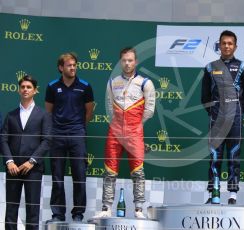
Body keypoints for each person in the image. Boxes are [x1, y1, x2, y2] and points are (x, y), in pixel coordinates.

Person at [94, 47, 155, 219]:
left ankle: (138, 209)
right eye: (124, 60)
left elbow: (149, 110)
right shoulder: (112, 82)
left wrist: (136, 125)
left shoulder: (145, 83)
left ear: (136, 62)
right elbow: (108, 107)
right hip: (115, 132)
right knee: (109, 171)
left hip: (135, 132)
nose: (127, 63)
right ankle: (106, 208)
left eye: (130, 60)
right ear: (120, 62)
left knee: (138, 171)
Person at [201, 30, 244, 205]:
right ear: (219, 45)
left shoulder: (243, 66)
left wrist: (237, 108)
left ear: (235, 46)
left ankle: (233, 194)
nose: (226, 46)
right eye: (224, 43)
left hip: (236, 116)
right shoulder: (210, 67)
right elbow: (204, 96)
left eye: (230, 43)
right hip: (216, 116)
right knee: (215, 155)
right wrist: (214, 110)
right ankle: (213, 192)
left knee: (234, 154)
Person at [45, 52, 94, 222]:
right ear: (61, 67)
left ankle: (78, 214)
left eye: (74, 65)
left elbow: (89, 112)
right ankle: (58, 214)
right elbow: (48, 112)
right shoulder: (52, 86)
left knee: (79, 176)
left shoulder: (85, 86)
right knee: (57, 176)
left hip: (77, 135)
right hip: (57, 135)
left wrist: (78, 127)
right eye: (69, 65)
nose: (73, 68)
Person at [1, 75, 51, 230]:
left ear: (35, 91)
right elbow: (3, 140)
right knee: (11, 209)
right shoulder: (11, 115)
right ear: (18, 90)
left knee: (33, 209)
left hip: (33, 169)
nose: (25, 90)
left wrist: (32, 161)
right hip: (13, 169)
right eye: (22, 87)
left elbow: (47, 140)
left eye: (29, 87)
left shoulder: (43, 115)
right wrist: (9, 162)